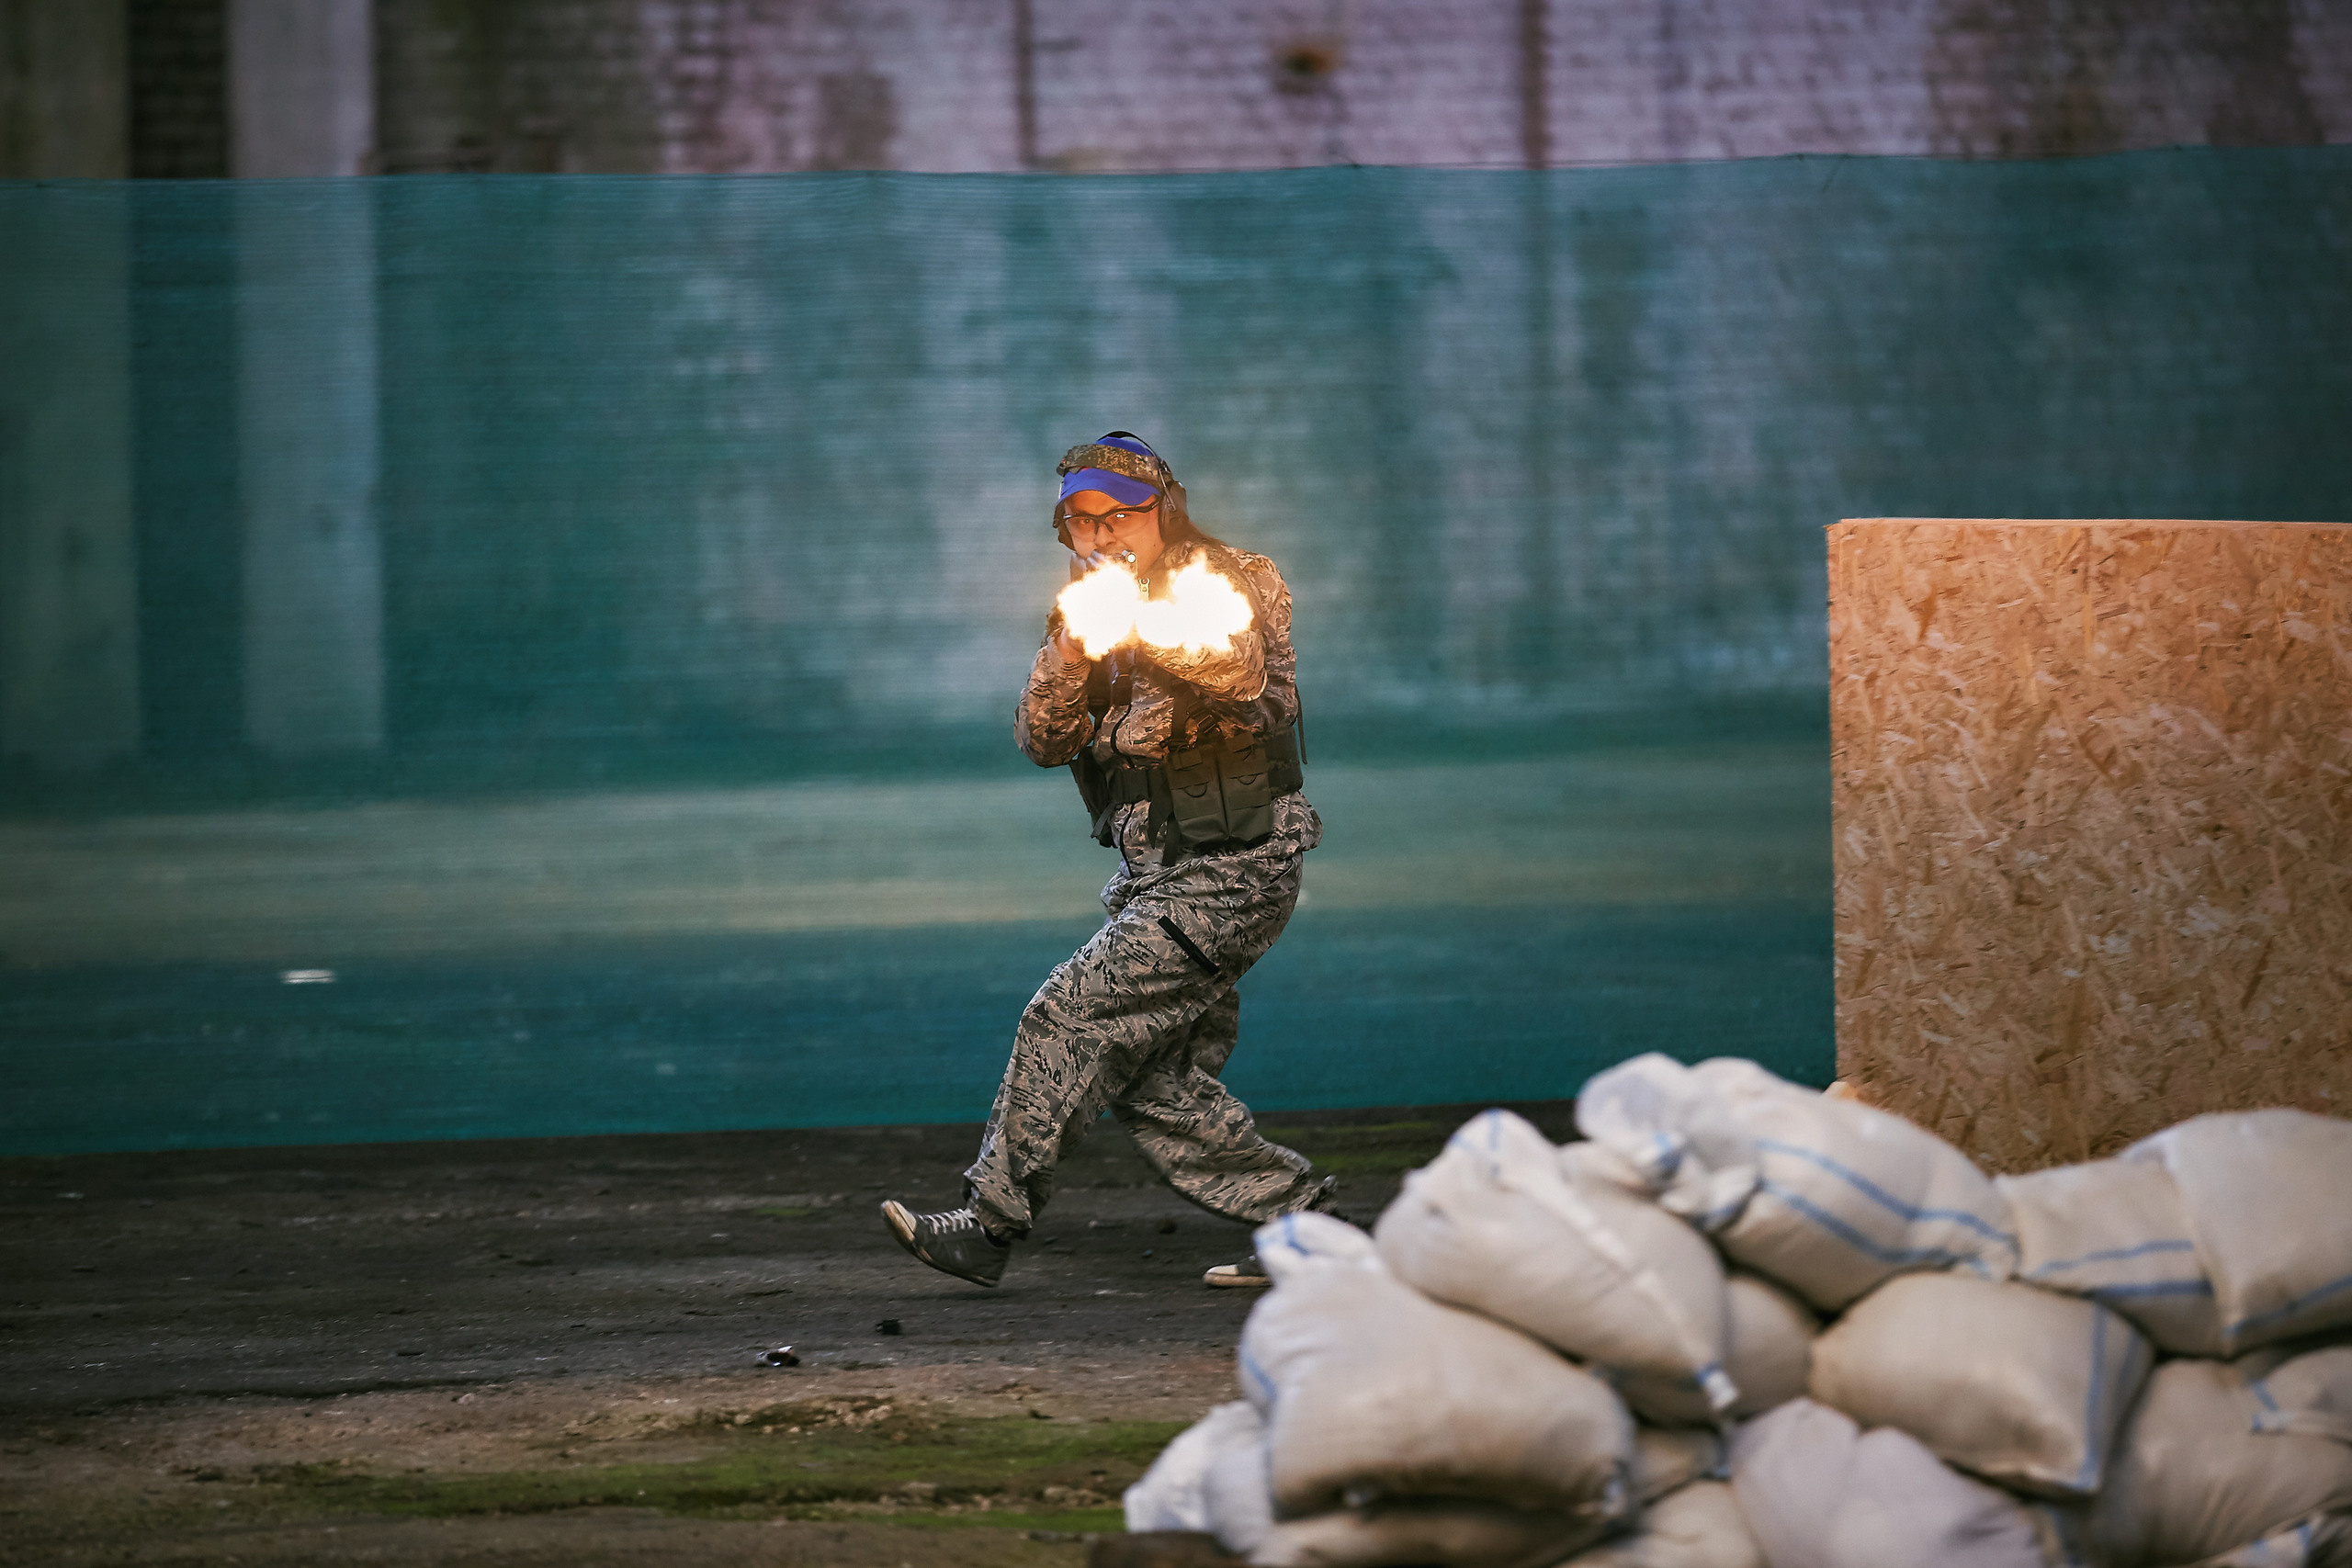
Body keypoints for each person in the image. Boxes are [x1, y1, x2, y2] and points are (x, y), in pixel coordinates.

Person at [881, 433, 1337, 1290]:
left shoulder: (1233, 580)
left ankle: (988, 1224)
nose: (1098, 539)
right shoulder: (1090, 610)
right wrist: (1072, 644)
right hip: (1154, 874)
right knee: (1153, 1079)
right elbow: (1041, 738)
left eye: (1115, 518)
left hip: (1233, 868)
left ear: (1159, 509)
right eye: (1080, 524)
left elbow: (1235, 673)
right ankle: (1309, 1228)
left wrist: (1131, 622)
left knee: (1066, 1016)